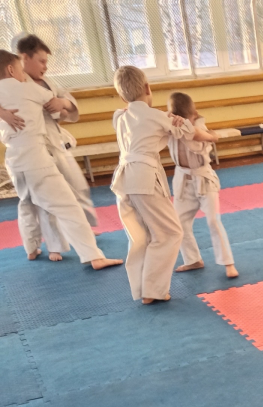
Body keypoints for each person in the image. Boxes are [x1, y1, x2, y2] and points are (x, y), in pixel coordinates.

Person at [0, 50, 121, 270]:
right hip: (36, 158)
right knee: (69, 207)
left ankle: (31, 248)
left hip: (13, 161)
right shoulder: (27, 88)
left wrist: (3, 113)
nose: (23, 75)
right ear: (10, 69)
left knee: (26, 203)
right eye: (20, 70)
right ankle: (94, 256)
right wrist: (62, 103)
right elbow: (55, 103)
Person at [111, 66, 198, 304]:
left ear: (122, 97)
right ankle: (153, 290)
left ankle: (142, 289)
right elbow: (187, 132)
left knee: (141, 236)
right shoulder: (155, 115)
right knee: (170, 233)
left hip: (124, 180)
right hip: (144, 179)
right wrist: (178, 120)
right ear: (148, 88)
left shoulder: (119, 117)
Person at [14, 32, 97, 260]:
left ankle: (83, 230)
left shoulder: (47, 82)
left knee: (77, 186)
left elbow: (67, 103)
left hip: (56, 144)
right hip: (33, 150)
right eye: (41, 61)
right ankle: (51, 246)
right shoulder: (18, 85)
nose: (45, 66)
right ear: (24, 58)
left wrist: (63, 103)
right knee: (43, 202)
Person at [166, 91, 238, 280]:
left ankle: (228, 263)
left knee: (213, 220)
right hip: (183, 179)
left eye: (188, 119)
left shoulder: (199, 127)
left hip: (203, 178)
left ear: (194, 115)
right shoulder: (168, 124)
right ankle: (192, 259)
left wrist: (205, 134)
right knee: (179, 223)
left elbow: (196, 145)